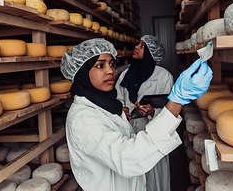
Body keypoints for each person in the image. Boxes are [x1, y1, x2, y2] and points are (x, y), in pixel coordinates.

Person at [60, 38, 212, 191]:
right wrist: (177, 101)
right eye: (100, 65)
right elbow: (127, 158)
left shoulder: (105, 103)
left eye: (112, 64)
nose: (110, 71)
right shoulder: (82, 119)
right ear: (82, 74)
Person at [115, 35, 174, 191]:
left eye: (142, 45)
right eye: (139, 43)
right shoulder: (125, 74)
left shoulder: (164, 76)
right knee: (134, 178)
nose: (137, 46)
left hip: (152, 134)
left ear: (150, 53)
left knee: (154, 179)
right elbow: (117, 98)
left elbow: (171, 109)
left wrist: (153, 111)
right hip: (129, 132)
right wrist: (122, 110)